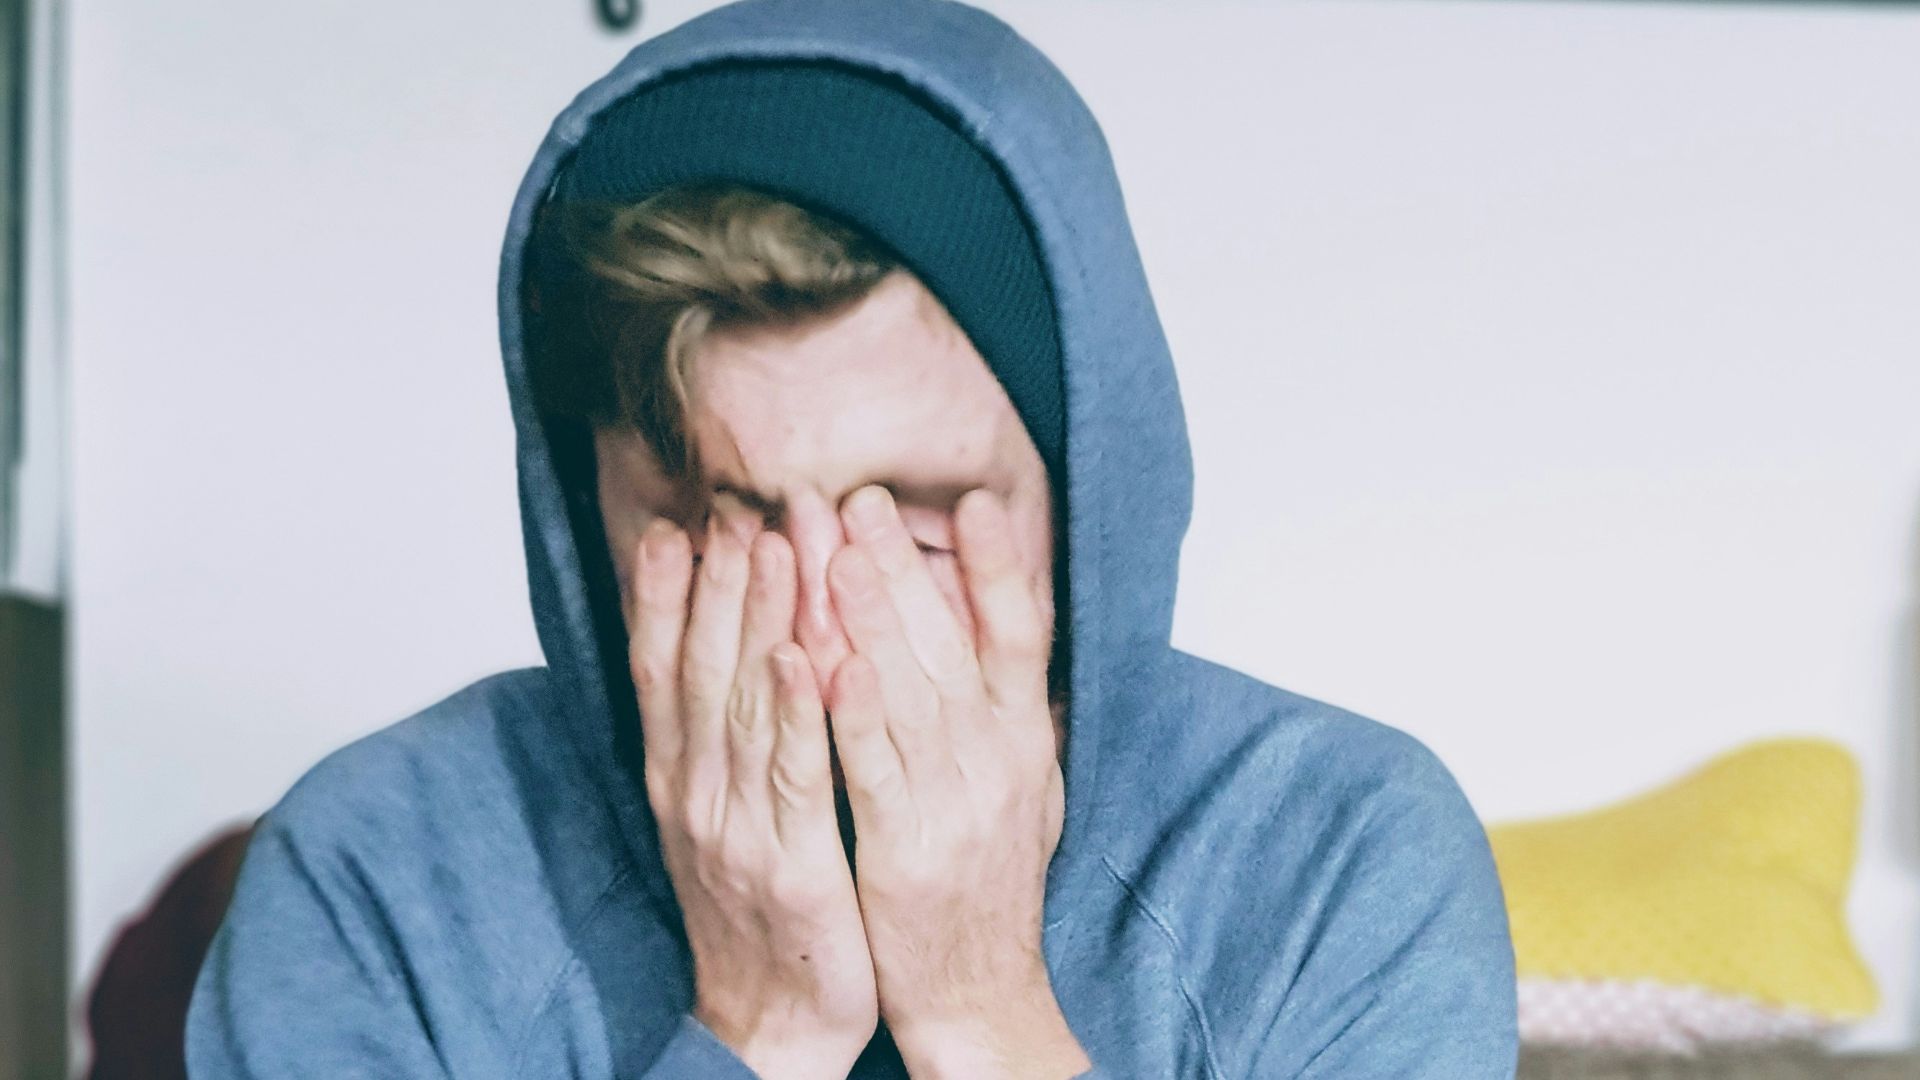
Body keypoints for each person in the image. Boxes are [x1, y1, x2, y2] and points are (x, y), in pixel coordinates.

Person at [186, 0, 1519, 1076]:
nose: (823, 629)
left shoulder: (1341, 853)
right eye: (724, 520)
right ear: (590, 523)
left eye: (920, 520)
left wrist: (980, 1018)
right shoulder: (374, 874)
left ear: (1087, 488)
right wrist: (762, 1034)